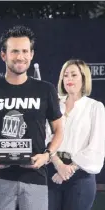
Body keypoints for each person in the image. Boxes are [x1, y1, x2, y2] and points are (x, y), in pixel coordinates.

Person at [0, 25, 64, 210]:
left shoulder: (46, 90)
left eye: (24, 51)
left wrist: (47, 155)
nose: (20, 56)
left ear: (31, 55)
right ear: (3, 55)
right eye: (14, 51)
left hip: (35, 178)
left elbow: (59, 130)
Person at [47, 59, 105, 210]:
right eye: (65, 75)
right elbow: (45, 138)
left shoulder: (94, 107)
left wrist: (68, 169)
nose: (69, 79)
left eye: (74, 75)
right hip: (52, 173)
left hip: (80, 177)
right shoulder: (54, 105)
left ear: (84, 79)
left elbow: (96, 147)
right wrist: (58, 165)